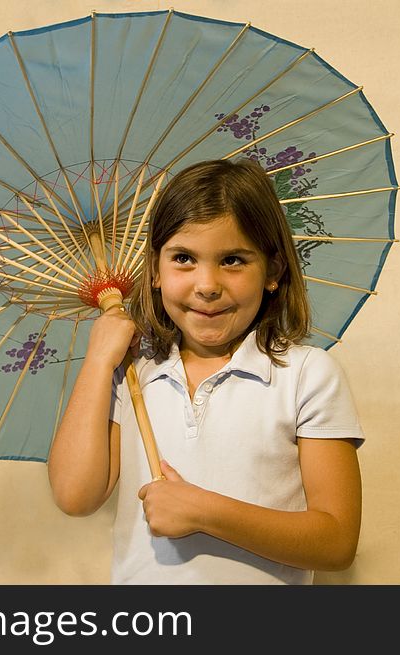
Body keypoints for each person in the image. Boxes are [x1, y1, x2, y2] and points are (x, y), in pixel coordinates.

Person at [48, 159, 364, 584]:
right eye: (183, 258)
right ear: (156, 269)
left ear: (272, 271)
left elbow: (336, 542)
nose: (208, 284)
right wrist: (99, 361)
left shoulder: (306, 375)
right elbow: (75, 495)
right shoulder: (133, 374)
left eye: (232, 260)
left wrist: (203, 511)